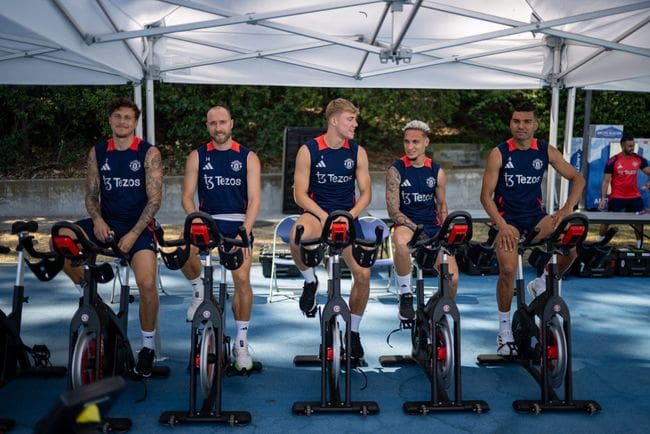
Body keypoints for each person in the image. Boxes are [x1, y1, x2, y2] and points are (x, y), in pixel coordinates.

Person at [61, 97, 163, 377]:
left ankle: (147, 348)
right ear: (110, 120)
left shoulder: (148, 152)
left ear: (135, 122)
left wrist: (132, 234)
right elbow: (91, 195)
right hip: (106, 223)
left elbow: (155, 200)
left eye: (127, 118)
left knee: (146, 283)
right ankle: (92, 297)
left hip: (138, 226)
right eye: (117, 116)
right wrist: (97, 220)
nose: (122, 122)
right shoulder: (98, 152)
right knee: (61, 239)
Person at [480, 102, 585, 357]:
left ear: (535, 125)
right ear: (511, 124)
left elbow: (577, 178)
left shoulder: (545, 150)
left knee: (570, 249)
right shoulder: (500, 152)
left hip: (537, 220)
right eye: (517, 121)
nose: (521, 126)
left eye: (527, 122)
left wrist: (567, 208)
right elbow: (485, 196)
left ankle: (540, 281)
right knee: (507, 269)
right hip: (508, 221)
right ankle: (504, 330)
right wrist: (502, 225)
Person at [290, 98, 372, 362]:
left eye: (355, 120)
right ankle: (310, 281)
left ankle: (354, 333)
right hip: (317, 212)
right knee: (297, 236)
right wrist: (325, 217)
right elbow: (299, 194)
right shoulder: (309, 150)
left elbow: (366, 193)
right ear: (334, 120)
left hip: (346, 216)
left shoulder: (357, 151)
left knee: (363, 274)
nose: (355, 124)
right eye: (351, 119)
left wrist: (350, 217)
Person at [180, 106, 261, 372]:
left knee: (241, 278)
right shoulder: (198, 156)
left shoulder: (248, 157)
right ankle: (199, 289)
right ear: (207, 126)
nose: (218, 127)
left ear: (231, 124)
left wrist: (245, 229)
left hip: (237, 220)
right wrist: (196, 218)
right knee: (181, 247)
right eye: (213, 123)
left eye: (222, 122)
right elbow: (187, 196)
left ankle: (241, 343)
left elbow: (255, 199)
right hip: (207, 219)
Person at [385, 120, 458, 321]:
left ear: (426, 142)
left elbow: (442, 206)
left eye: (415, 142)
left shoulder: (437, 171)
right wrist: (416, 229)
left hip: (432, 228)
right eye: (406, 141)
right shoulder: (396, 170)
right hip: (407, 224)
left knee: (453, 279)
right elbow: (393, 211)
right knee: (401, 243)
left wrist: (445, 231)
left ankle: (437, 307)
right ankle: (405, 294)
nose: (410, 146)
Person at [598, 135, 650, 248]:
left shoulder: (639, 159)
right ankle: (600, 243)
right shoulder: (613, 161)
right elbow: (605, 181)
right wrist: (602, 199)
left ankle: (639, 247)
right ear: (622, 146)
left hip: (634, 196)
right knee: (606, 221)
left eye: (633, 146)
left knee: (639, 222)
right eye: (629, 146)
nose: (632, 148)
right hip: (617, 197)